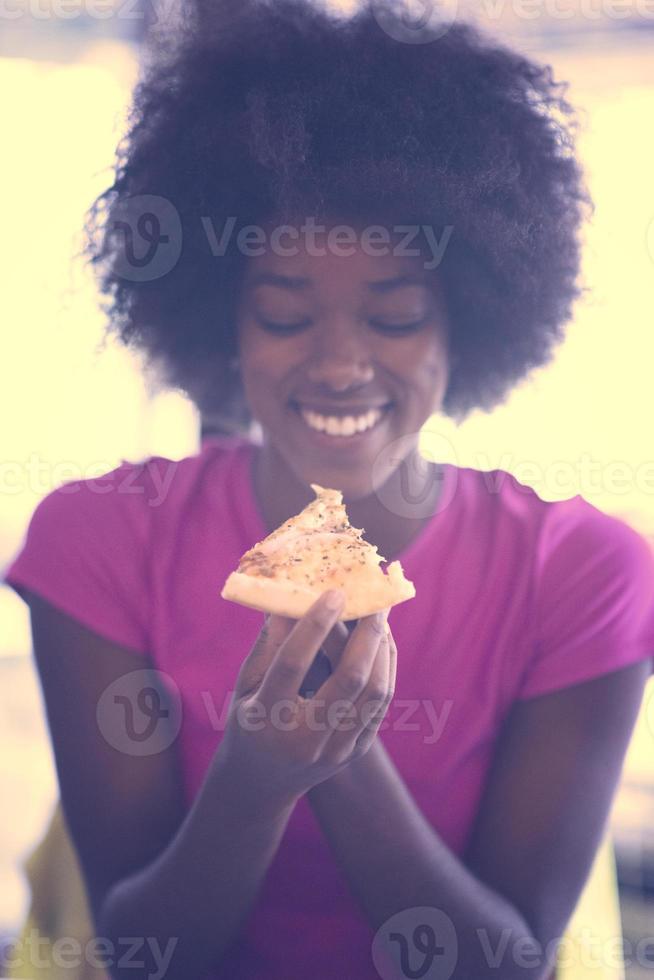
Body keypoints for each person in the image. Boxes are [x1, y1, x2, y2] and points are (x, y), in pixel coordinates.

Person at [5, 2, 654, 978]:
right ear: (222, 321)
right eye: (282, 311)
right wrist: (253, 780)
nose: (341, 363)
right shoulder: (99, 537)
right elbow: (142, 953)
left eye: (394, 317)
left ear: (466, 326)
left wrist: (340, 756)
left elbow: (507, 961)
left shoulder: (585, 569)